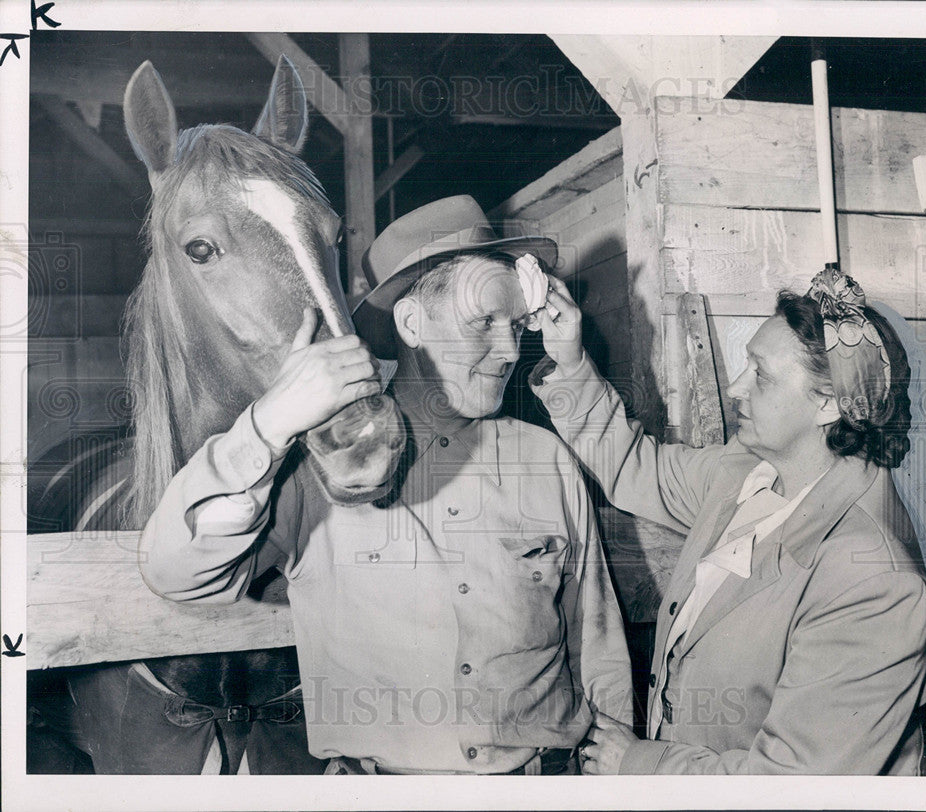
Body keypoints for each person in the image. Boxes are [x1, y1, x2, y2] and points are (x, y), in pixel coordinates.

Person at [138, 195, 633, 775]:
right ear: (411, 323)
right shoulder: (318, 467)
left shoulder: (546, 460)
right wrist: (267, 425)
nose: (509, 350)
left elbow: (596, 638)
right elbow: (176, 572)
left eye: (518, 325)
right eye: (483, 323)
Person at [529, 267, 926, 775]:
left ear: (828, 404)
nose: (734, 386)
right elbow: (634, 467)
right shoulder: (747, 472)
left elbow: (792, 785)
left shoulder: (875, 583)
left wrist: (640, 764)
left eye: (761, 375)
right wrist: (569, 359)